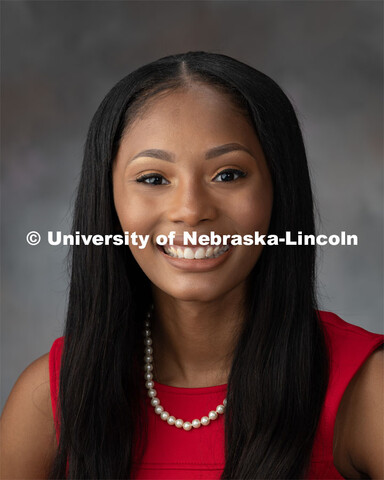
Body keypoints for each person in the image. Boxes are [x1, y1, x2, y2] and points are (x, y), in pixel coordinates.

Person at [1, 51, 383, 480]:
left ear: (280, 188)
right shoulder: (48, 401)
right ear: (108, 201)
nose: (190, 210)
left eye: (228, 174)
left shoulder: (367, 390)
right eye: (153, 179)